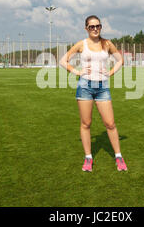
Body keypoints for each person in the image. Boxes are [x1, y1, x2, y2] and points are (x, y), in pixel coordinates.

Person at [60, 15, 127, 172]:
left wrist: (110, 73)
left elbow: (120, 60)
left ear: (101, 27)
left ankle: (118, 156)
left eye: (98, 26)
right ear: (86, 28)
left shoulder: (107, 44)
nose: (95, 29)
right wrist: (77, 71)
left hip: (102, 88)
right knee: (86, 123)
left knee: (110, 124)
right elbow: (63, 61)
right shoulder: (81, 44)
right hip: (85, 87)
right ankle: (88, 158)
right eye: (91, 26)